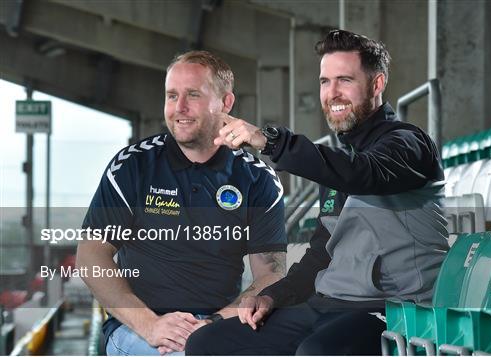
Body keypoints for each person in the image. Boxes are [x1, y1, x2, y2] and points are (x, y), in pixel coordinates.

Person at [185, 30, 448, 355]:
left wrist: (271, 141)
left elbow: (366, 175)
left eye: (344, 80)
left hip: (391, 311)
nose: (332, 93)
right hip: (328, 305)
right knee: (207, 343)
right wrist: (273, 296)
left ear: (376, 85)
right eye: (325, 81)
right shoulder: (339, 161)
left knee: (315, 352)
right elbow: (322, 255)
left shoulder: (408, 144)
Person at [77, 50, 287, 356]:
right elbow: (90, 255)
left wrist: (215, 323)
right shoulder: (133, 166)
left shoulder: (258, 180)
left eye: (193, 95)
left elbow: (270, 274)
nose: (180, 107)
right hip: (139, 329)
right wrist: (149, 324)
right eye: (172, 95)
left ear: (226, 103)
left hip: (219, 324)